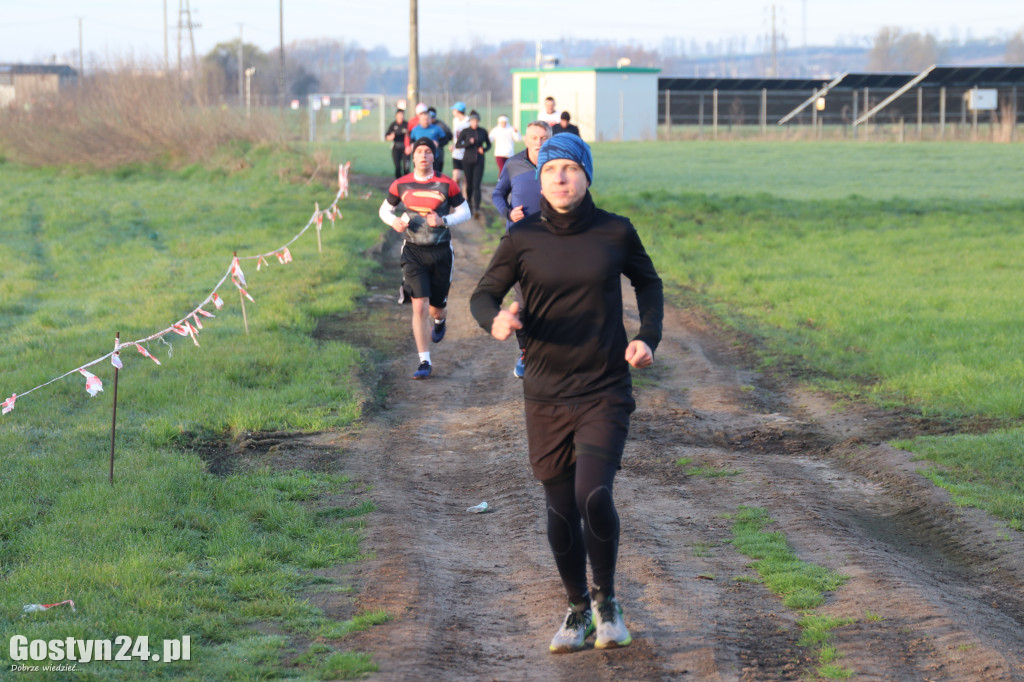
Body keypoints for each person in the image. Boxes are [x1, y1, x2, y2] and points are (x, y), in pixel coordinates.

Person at [470, 134, 663, 654]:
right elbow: (484, 293)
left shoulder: (615, 231)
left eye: (570, 169)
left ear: (586, 176)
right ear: (540, 177)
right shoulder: (522, 238)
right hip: (545, 392)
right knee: (559, 505)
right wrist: (497, 319)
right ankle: (577, 608)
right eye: (551, 169)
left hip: (604, 387)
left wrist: (647, 336)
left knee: (591, 494)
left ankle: (607, 602)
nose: (560, 178)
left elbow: (649, 284)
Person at [379, 137, 471, 379]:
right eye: (419, 151)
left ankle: (440, 322)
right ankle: (424, 361)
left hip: (441, 252)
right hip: (413, 251)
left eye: (428, 152)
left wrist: (444, 220)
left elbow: (465, 211)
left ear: (434, 156)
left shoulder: (446, 183)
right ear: (413, 156)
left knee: (436, 309)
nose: (423, 155)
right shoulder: (401, 184)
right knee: (418, 303)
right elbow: (384, 210)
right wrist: (394, 221)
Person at [490, 120, 551, 379]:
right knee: (525, 302)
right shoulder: (513, 164)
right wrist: (507, 212)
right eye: (534, 137)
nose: (538, 142)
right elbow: (497, 194)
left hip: (554, 243)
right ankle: (526, 353)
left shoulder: (559, 164)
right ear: (524, 139)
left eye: (544, 138)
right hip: (520, 244)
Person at [454, 110, 491, 220]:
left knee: (476, 185)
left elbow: (489, 145)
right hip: (467, 160)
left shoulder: (483, 131)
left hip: (479, 161)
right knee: (469, 185)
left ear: (478, 121)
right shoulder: (465, 131)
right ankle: (469, 202)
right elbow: (458, 145)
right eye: (473, 121)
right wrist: (468, 143)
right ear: (470, 121)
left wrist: (483, 149)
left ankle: (477, 208)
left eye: (476, 121)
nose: (475, 123)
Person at [449, 101, 471, 192]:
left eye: (454, 110)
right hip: (456, 153)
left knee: (466, 179)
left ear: (458, 110)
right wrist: (453, 145)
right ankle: (455, 195)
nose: (452, 111)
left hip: (466, 154)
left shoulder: (468, 121)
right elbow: (456, 137)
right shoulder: (455, 120)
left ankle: (465, 199)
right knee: (456, 177)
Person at [428, 107, 454, 175]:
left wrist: (438, 143)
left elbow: (449, 136)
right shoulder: (423, 125)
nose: (432, 119)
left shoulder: (441, 125)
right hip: (427, 155)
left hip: (439, 153)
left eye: (433, 117)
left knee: (437, 173)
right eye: (430, 117)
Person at [385, 108, 410, 178]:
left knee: (406, 168)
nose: (400, 117)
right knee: (398, 167)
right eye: (399, 116)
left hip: (406, 149)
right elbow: (386, 136)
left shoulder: (406, 124)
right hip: (396, 148)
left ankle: (407, 183)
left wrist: (409, 146)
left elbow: (411, 136)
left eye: (402, 116)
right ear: (396, 116)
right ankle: (398, 183)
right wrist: (390, 137)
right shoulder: (393, 125)